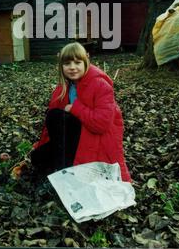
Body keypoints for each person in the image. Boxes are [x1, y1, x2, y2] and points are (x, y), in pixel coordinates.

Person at [30, 42, 131, 182]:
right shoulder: (65, 87)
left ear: (86, 61)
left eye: (77, 62)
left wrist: (74, 108)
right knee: (37, 157)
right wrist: (43, 144)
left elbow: (101, 124)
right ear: (61, 66)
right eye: (67, 63)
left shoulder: (100, 85)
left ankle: (63, 172)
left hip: (94, 136)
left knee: (58, 117)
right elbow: (53, 126)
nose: (72, 67)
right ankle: (60, 168)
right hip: (73, 135)